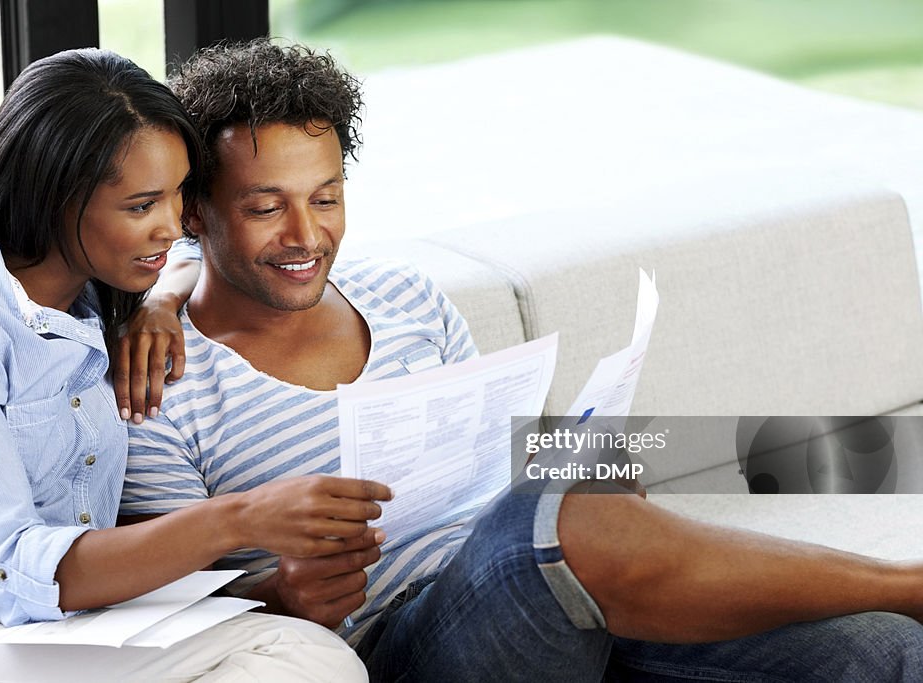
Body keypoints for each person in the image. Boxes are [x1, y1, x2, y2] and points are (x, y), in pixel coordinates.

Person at [118, 39, 923, 682]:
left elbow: (501, 468)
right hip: (411, 643)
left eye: (325, 197)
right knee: (557, 513)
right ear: (195, 210)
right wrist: (279, 591)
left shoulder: (408, 297)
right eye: (265, 207)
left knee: (881, 652)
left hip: (563, 599)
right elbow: (173, 605)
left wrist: (594, 469)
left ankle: (891, 606)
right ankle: (907, 581)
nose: (306, 234)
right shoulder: (158, 384)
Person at [0, 47, 374, 683]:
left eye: (179, 196)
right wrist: (242, 515)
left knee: (309, 659)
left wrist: (160, 301)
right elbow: (13, 571)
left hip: (76, 619)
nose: (174, 226)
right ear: (53, 198)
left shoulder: (107, 301)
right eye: (142, 206)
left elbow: (193, 258)